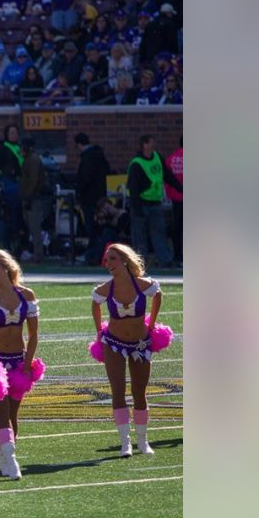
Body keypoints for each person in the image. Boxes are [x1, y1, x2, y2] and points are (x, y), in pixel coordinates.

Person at [91, 243, 163, 456]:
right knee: (118, 391)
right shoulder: (105, 289)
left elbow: (158, 295)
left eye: (112, 259)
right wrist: (98, 331)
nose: (108, 264)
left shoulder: (143, 285)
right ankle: (126, 443)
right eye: (106, 260)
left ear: (124, 260)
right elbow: (95, 303)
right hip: (114, 343)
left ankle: (143, 441)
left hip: (141, 344)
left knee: (139, 392)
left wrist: (152, 324)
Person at [0, 250, 39, 479]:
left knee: (13, 414)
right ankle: (11, 459)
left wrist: (27, 361)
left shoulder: (26, 295)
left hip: (18, 360)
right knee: (1, 412)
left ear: (6, 267)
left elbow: (33, 334)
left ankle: (5, 456)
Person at [127, 134, 181, 267]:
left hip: (155, 202)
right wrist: (136, 208)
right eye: (151, 142)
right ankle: (140, 263)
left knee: (159, 233)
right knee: (140, 237)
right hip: (141, 203)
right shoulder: (137, 163)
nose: (154, 145)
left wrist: (180, 187)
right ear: (144, 145)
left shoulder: (157, 158)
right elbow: (133, 188)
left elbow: (168, 176)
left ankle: (165, 260)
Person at [73, 132, 111, 263]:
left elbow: (85, 179)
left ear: (78, 144)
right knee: (99, 228)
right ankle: (98, 255)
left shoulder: (87, 158)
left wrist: (79, 192)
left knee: (91, 229)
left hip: (89, 199)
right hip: (100, 198)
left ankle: (92, 256)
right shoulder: (100, 155)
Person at [0, 123, 24, 254]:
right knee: (8, 218)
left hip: (19, 183)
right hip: (10, 186)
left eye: (16, 133)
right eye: (11, 133)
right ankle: (7, 246)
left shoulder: (20, 147)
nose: (14, 135)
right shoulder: (3, 149)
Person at [18, 136, 49, 262]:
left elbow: (33, 181)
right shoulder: (30, 159)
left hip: (34, 199)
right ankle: (36, 252)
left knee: (35, 226)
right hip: (31, 197)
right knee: (32, 226)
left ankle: (38, 254)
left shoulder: (33, 160)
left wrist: (28, 197)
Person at [165, 136, 183, 265]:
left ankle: (178, 255)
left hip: (175, 198)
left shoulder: (171, 158)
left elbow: (166, 179)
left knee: (177, 228)